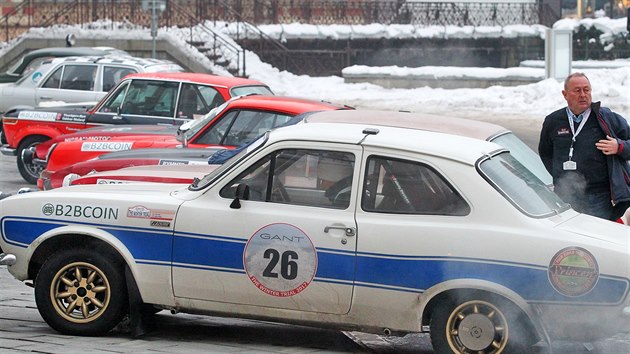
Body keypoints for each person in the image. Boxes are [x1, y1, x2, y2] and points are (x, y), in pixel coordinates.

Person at [538, 72, 630, 221]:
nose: (583, 95)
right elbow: (545, 153)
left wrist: (619, 147)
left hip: (599, 198)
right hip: (565, 196)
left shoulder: (606, 118)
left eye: (586, 90)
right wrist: (560, 176)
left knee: (598, 239)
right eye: (577, 90)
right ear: (565, 94)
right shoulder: (553, 121)